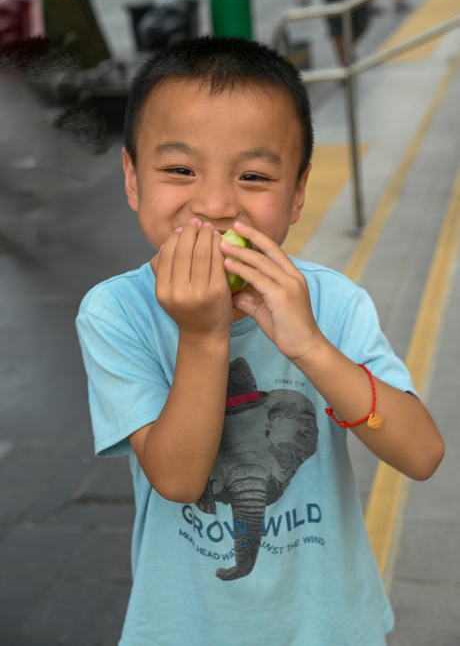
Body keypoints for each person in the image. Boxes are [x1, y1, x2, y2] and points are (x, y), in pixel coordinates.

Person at [76, 36, 444, 646]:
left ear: (297, 192)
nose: (216, 203)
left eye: (253, 175)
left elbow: (423, 455)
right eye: (179, 170)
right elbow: (179, 480)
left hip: (332, 624)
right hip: (183, 627)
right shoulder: (116, 313)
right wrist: (202, 334)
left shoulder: (332, 302)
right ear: (133, 178)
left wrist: (312, 348)